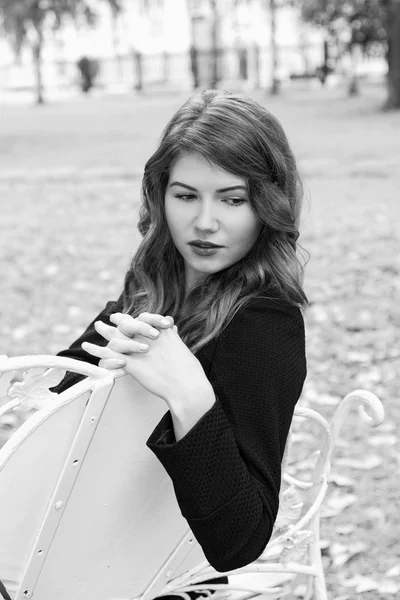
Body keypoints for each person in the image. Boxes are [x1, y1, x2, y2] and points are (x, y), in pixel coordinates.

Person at [52, 89, 308, 594]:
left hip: (166, 580)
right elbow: (57, 406)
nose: (205, 222)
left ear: (268, 204)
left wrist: (190, 395)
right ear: (160, 194)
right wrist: (86, 379)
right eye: (186, 195)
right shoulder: (150, 287)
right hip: (79, 545)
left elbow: (241, 538)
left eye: (233, 199)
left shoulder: (264, 322)